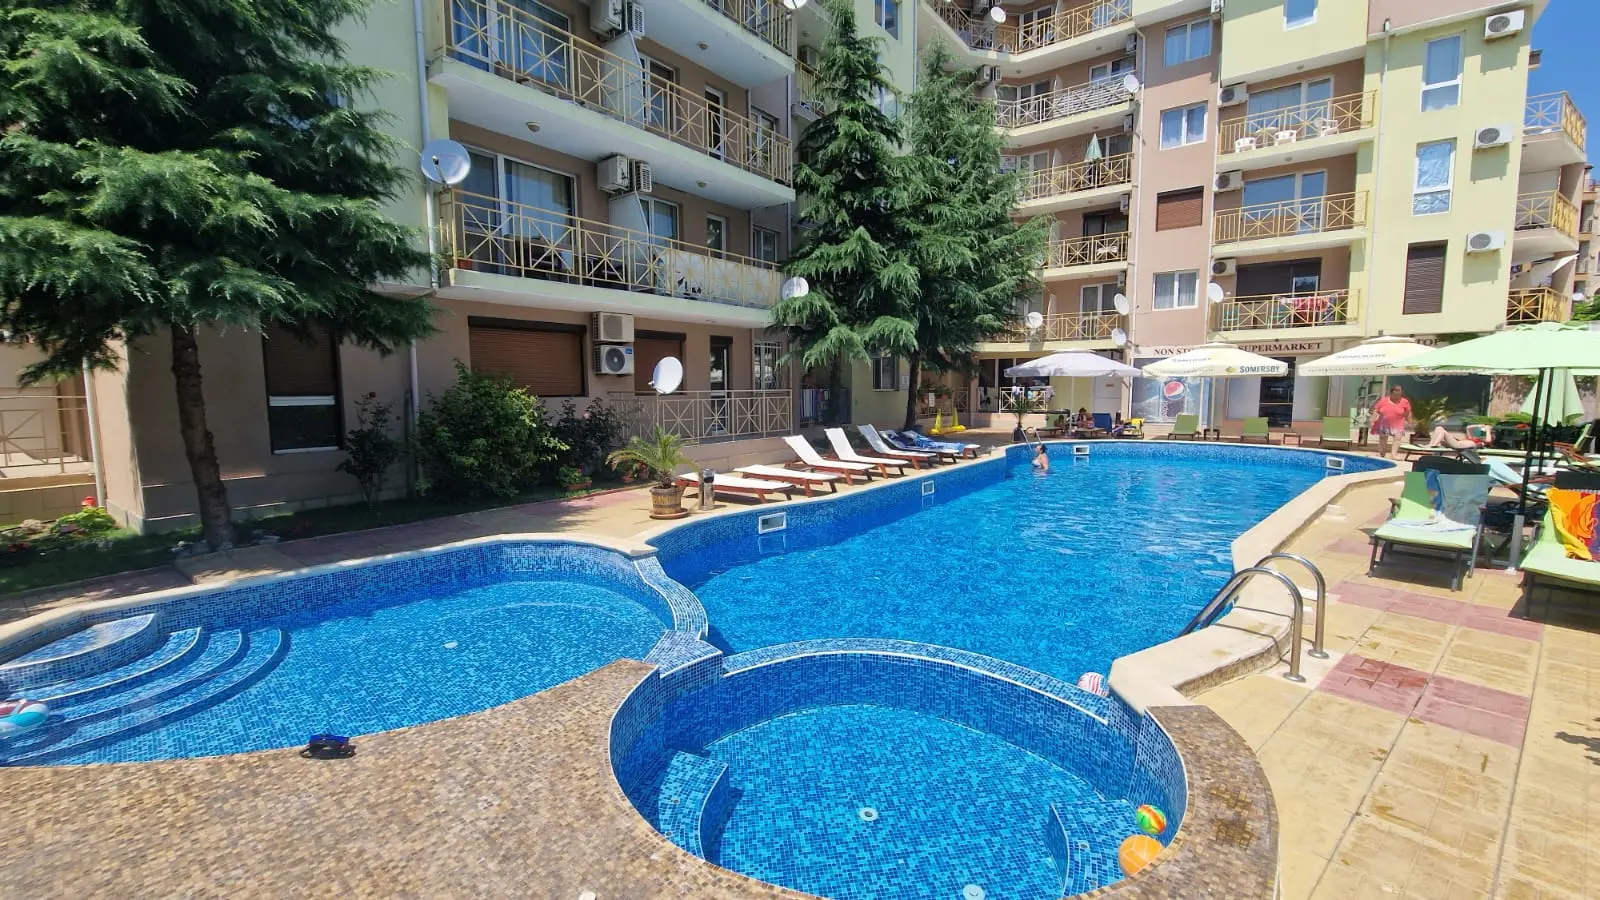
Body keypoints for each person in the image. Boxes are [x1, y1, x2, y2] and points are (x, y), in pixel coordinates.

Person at [1372, 385, 1413, 460]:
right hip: (1384, 423)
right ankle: (1382, 453)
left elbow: (1408, 412)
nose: (1398, 395)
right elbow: (1376, 410)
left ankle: (1393, 455)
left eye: (1400, 393)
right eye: (1396, 393)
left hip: (1398, 423)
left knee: (1397, 438)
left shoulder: (1404, 401)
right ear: (1391, 393)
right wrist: (1373, 421)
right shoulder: (1383, 400)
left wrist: (1410, 421)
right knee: (1383, 438)